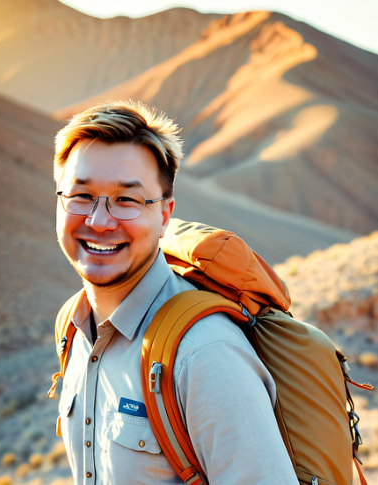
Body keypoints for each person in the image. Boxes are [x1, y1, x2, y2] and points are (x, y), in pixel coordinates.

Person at [53, 100, 299, 484]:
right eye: (81, 195)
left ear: (165, 215)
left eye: (127, 200)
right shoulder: (75, 327)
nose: (99, 221)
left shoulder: (205, 353)